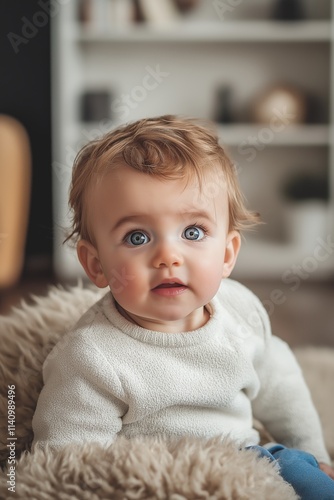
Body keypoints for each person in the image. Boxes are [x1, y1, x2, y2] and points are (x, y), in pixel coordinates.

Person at [32, 115, 334, 498]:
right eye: (137, 236)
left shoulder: (240, 310)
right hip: (152, 481)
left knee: (306, 476)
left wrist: (312, 452)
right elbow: (65, 460)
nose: (168, 256)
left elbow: (280, 385)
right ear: (96, 265)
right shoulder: (91, 357)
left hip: (251, 461)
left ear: (227, 254)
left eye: (193, 232)